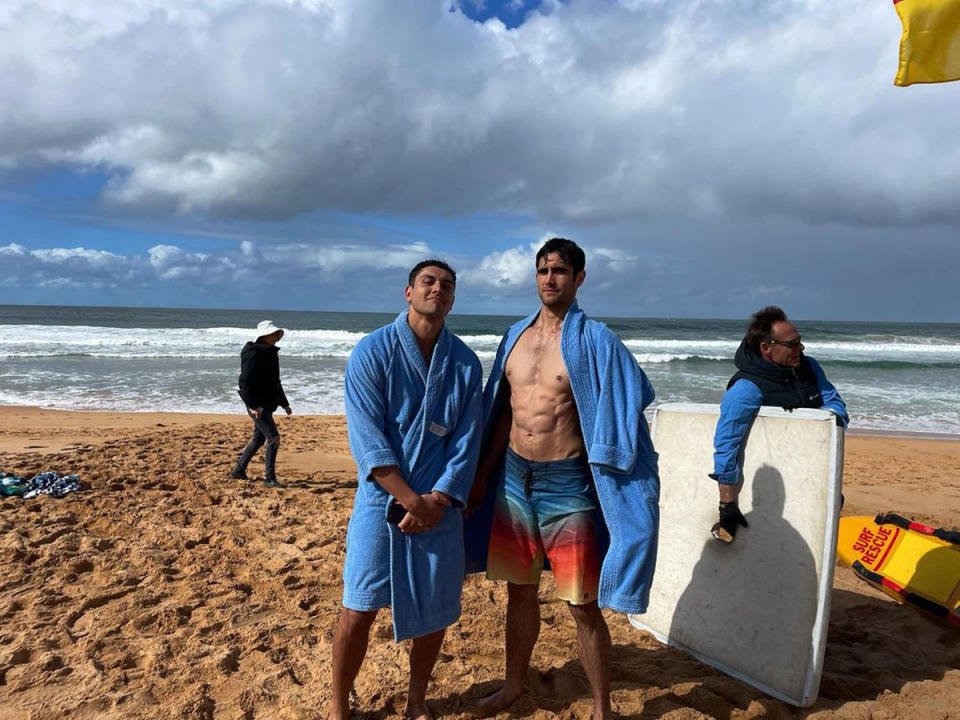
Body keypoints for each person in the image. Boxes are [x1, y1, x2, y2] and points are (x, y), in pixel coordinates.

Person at [465, 238, 659, 720]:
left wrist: (611, 443)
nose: (550, 278)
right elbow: (502, 414)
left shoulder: (594, 340)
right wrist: (481, 476)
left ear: (579, 279)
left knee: (581, 603)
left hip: (567, 483)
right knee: (519, 590)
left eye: (561, 271)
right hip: (513, 478)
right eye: (543, 269)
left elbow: (636, 391)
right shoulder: (514, 336)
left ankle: (601, 708)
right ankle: (514, 685)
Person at [328, 260, 483, 720]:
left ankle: (417, 699)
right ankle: (338, 704)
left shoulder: (464, 363)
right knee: (359, 605)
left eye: (447, 285)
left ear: (453, 298)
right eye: (428, 282)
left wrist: (439, 498)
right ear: (408, 291)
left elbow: (468, 440)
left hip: (441, 503)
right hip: (382, 501)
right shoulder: (372, 352)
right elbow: (367, 436)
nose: (438, 290)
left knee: (434, 610)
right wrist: (408, 498)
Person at [710, 305, 849, 543]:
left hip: (810, 472)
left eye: (800, 341)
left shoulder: (809, 367)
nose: (801, 348)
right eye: (792, 344)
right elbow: (727, 443)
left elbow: (836, 406)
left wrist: (818, 427)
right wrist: (727, 503)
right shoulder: (746, 388)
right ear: (767, 348)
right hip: (773, 480)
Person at [231, 320, 292, 488]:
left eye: (276, 334)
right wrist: (252, 405)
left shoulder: (271, 353)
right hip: (257, 404)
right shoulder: (252, 353)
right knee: (274, 438)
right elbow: (244, 381)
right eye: (272, 334)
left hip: (267, 403)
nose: (275, 337)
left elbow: (275, 381)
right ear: (263, 335)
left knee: (259, 439)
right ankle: (270, 479)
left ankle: (239, 470)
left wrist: (284, 403)